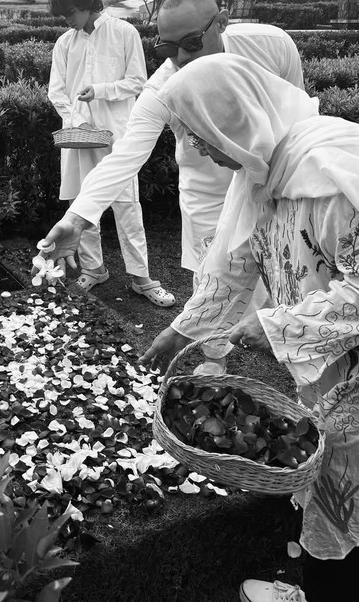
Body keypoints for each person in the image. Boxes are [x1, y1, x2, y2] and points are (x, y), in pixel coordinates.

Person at [140, 54, 359, 602]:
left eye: (197, 134)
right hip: (327, 374)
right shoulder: (263, 168)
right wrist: (181, 332)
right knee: (330, 489)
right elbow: (232, 267)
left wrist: (276, 326)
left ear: (232, 116)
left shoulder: (331, 172)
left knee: (346, 493)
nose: (194, 150)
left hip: (351, 376)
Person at [38, 0, 304, 360]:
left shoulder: (272, 45)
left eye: (192, 43)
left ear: (221, 23)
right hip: (207, 186)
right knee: (213, 277)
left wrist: (287, 185)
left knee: (291, 270)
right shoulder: (162, 87)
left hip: (277, 175)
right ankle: (214, 363)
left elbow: (297, 119)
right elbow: (126, 154)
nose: (179, 58)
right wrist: (77, 217)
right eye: (166, 48)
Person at [47, 0, 174, 307]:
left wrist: (100, 92)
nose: (68, 19)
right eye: (64, 15)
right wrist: (76, 121)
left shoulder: (123, 32)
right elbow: (56, 92)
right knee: (81, 202)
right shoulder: (65, 43)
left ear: (89, 2)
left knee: (127, 206)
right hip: (78, 139)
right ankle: (94, 269)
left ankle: (141, 277)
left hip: (118, 137)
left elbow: (137, 81)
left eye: (71, 11)